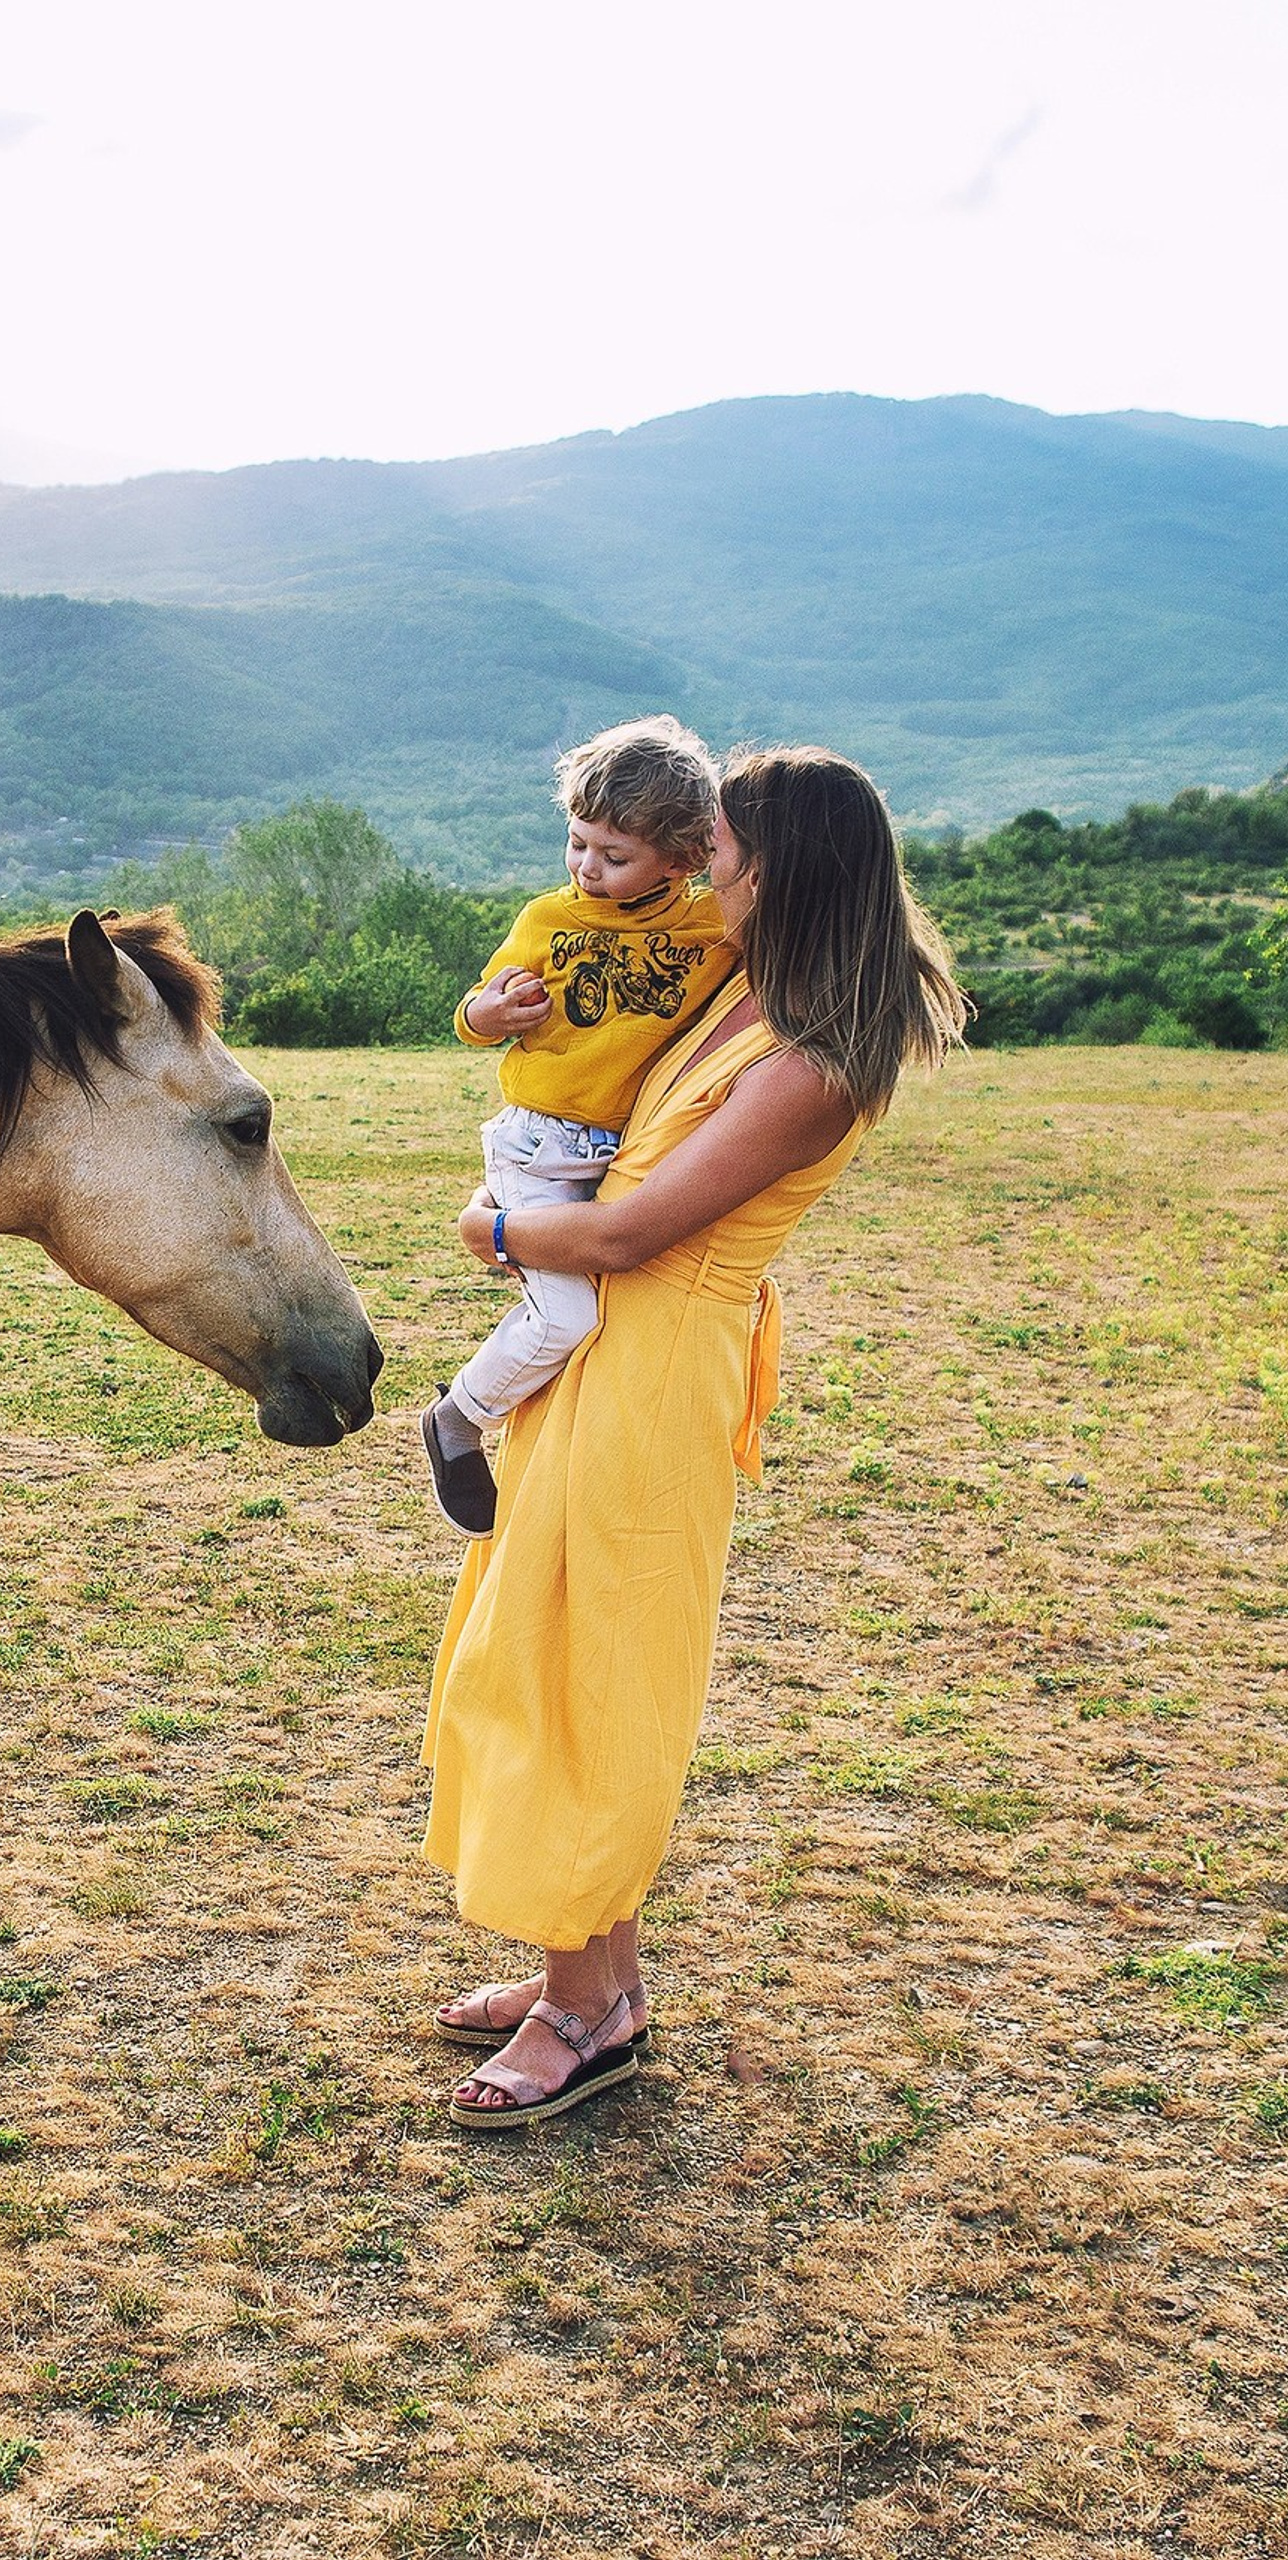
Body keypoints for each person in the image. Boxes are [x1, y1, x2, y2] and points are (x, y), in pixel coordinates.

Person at [423, 745, 968, 2129]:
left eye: (717, 847)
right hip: (609, 1356)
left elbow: (628, 1231)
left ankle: (585, 2013)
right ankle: (593, 1973)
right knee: (534, 1651)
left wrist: (494, 1230)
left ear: (774, 873)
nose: (700, 864)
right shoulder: (745, 992)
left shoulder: (813, 1065)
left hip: (658, 1370)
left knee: (587, 1675)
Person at [421, 717, 736, 1537]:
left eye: (614, 855)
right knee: (569, 1318)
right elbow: (474, 1012)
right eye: (577, 843)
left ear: (683, 857)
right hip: (539, 1139)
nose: (587, 868)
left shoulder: (710, 929)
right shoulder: (548, 918)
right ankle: (458, 1419)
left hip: (621, 1151)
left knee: (601, 1315)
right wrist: (489, 1012)